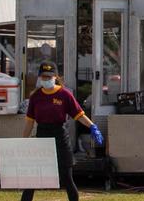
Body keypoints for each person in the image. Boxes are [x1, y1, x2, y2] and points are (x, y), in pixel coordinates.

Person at [18, 62, 103, 201]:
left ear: (55, 77)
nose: (46, 79)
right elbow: (29, 122)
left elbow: (79, 115)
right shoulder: (36, 96)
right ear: (40, 77)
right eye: (44, 77)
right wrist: (23, 141)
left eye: (49, 77)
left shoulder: (64, 94)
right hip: (42, 136)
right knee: (32, 180)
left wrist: (93, 127)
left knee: (67, 178)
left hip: (60, 136)